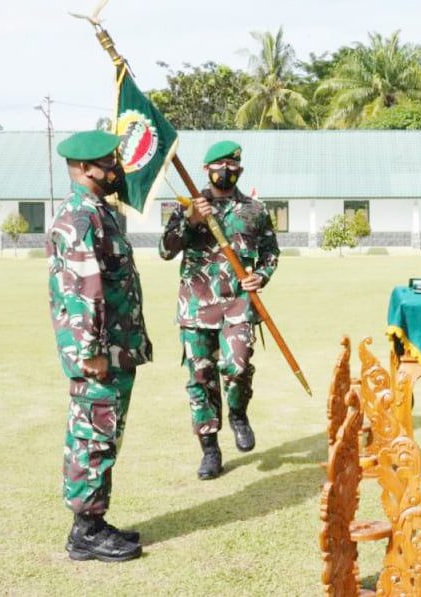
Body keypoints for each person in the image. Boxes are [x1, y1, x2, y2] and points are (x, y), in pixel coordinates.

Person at [46, 130, 152, 562]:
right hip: (98, 353)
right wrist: (91, 351)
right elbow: (84, 289)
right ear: (85, 168)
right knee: (92, 434)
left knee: (103, 434)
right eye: (109, 164)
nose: (116, 170)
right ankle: (85, 531)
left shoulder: (97, 212)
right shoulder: (80, 217)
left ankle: (93, 521)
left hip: (113, 348)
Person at [159, 140, 279, 480]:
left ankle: (238, 412)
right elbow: (165, 250)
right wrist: (189, 220)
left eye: (232, 165)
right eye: (220, 165)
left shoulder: (254, 210)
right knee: (201, 379)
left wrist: (261, 275)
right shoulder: (188, 206)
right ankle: (210, 449)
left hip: (238, 304)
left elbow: (270, 252)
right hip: (196, 306)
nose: (226, 171)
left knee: (237, 367)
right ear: (206, 170)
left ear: (240, 170)